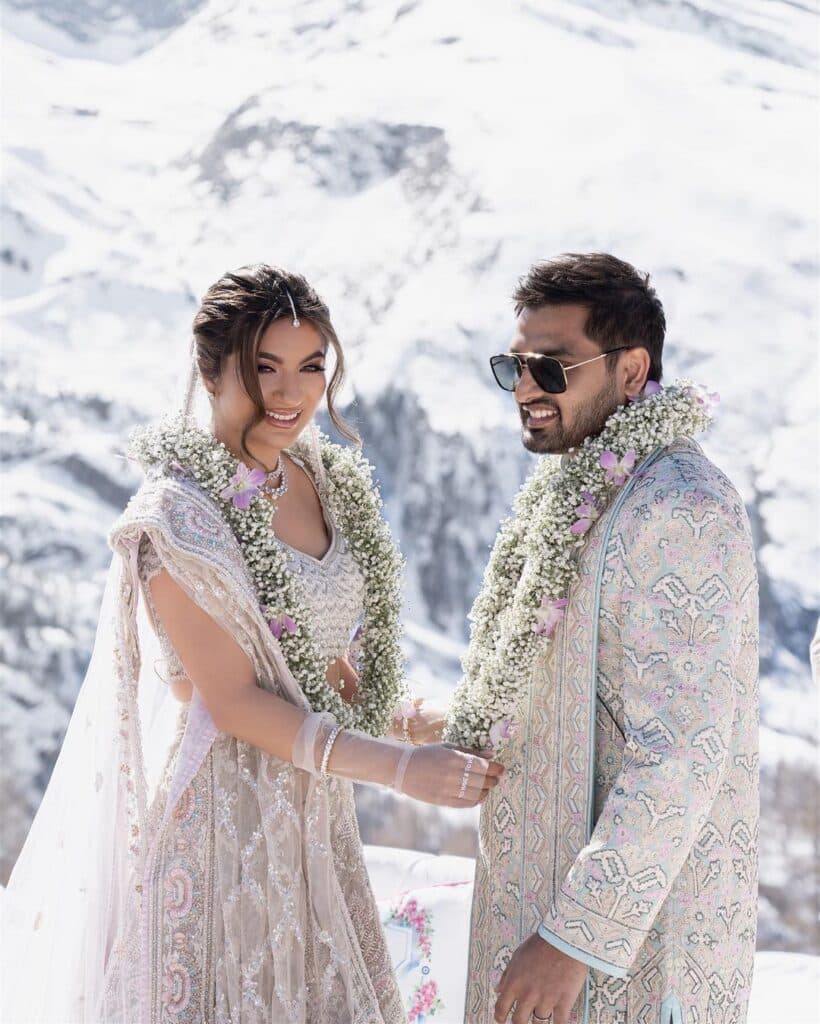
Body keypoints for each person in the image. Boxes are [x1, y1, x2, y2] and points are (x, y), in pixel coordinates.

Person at [1, 264, 502, 1023]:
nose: (290, 393)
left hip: (317, 820)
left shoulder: (317, 478)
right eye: (264, 367)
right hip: (223, 824)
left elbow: (323, 670)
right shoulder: (177, 519)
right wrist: (402, 772)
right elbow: (233, 701)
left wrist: (416, 720)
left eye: (311, 367)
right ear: (210, 372)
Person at [442, 254, 760, 1024]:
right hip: (533, 916)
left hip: (628, 962)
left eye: (551, 367)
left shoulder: (680, 507)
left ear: (632, 370)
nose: (526, 389)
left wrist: (574, 940)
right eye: (513, 367)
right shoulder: (580, 491)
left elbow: (682, 748)